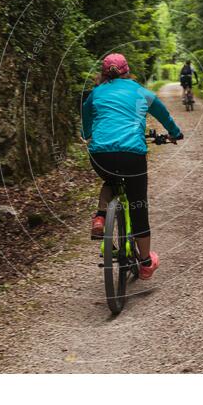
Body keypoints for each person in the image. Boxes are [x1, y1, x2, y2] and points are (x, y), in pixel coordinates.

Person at [81, 53, 182, 280]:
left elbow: (86, 129)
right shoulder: (140, 92)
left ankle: (100, 216)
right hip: (131, 155)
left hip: (100, 155)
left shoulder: (95, 94)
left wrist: (91, 133)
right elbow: (163, 115)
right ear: (128, 71)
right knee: (138, 205)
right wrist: (175, 133)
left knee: (110, 180)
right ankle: (145, 262)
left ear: (103, 74)